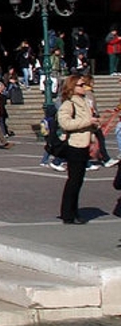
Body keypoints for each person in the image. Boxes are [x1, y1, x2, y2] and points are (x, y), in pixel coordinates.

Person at [57, 75, 98, 225]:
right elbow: (65, 123)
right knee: (74, 181)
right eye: (81, 85)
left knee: (78, 180)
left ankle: (74, 211)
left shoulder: (85, 102)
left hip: (84, 144)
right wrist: (88, 121)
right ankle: (68, 213)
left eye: (84, 85)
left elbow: (87, 121)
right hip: (75, 145)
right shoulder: (69, 104)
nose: (84, 87)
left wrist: (94, 124)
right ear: (72, 87)